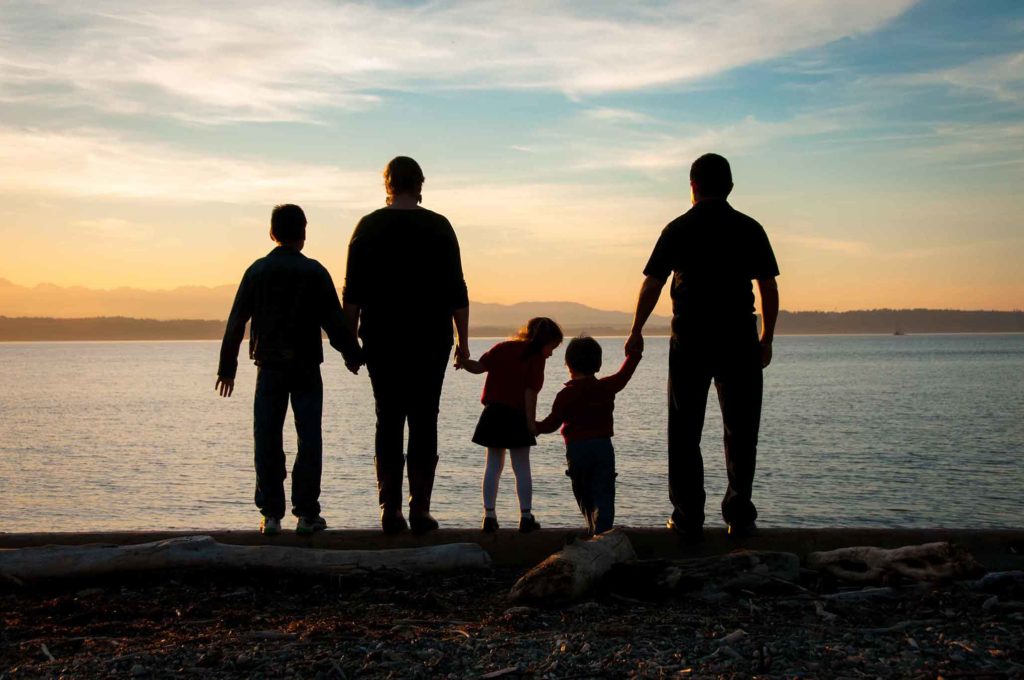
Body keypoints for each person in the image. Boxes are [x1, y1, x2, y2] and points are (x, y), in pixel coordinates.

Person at [625, 153, 780, 540]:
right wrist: (767, 338)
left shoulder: (678, 227)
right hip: (739, 338)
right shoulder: (750, 228)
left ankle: (688, 515)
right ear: (729, 186)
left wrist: (636, 329)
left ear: (692, 186)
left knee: (684, 430)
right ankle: (739, 515)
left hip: (690, 339)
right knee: (742, 431)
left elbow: (653, 284)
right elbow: (768, 287)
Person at [342, 157, 470, 535]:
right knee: (425, 421)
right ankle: (421, 510)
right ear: (420, 185)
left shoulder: (367, 227)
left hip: (382, 339)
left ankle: (390, 510)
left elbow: (352, 295)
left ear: (387, 185)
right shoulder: (440, 227)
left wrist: (351, 343)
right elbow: (457, 292)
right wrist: (463, 342)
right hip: (430, 339)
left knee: (389, 420)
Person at [216, 204, 362, 536]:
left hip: (268, 367)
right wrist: (352, 355)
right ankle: (307, 514)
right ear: (303, 234)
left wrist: (227, 367)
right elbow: (334, 323)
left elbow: (236, 322)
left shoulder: (257, 271)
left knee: (266, 436)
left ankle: (271, 514)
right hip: (307, 366)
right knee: (309, 438)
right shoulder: (314, 272)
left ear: (272, 233)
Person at [456, 317, 564, 533]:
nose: (551, 353)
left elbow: (478, 367)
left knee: (493, 466)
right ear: (545, 341)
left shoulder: (503, 348)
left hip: (493, 414)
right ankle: (525, 517)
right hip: (516, 416)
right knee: (521, 467)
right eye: (552, 347)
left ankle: (489, 517)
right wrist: (531, 423)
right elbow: (530, 393)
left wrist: (462, 360)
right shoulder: (535, 358)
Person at [536, 336, 641, 535]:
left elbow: (552, 423)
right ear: (598, 364)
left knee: (583, 493)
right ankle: (602, 532)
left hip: (577, 451)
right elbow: (624, 375)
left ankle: (594, 529)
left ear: (568, 365)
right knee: (604, 492)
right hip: (603, 448)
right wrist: (634, 355)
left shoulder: (565, 395)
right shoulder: (605, 387)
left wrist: (535, 427)